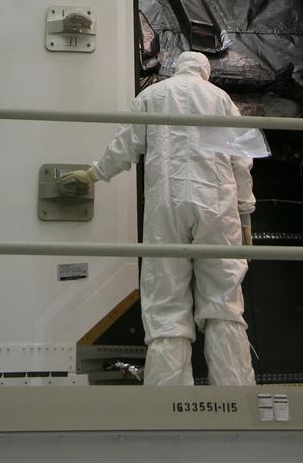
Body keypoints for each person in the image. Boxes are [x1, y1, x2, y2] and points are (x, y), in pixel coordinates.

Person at [61, 50, 258, 386]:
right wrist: (246, 217)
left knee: (166, 300)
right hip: (217, 206)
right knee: (223, 300)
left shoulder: (152, 95)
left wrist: (93, 175)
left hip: (166, 205)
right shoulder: (221, 98)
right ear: (204, 71)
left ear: (177, 68)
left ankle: (166, 397)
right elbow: (241, 162)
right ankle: (235, 392)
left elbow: (124, 146)